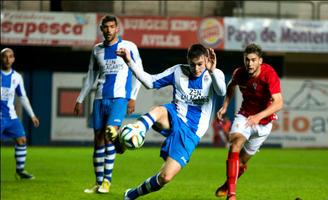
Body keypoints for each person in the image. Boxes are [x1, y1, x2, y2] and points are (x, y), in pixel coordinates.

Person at [110, 43, 226, 199]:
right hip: (174, 115)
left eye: (200, 64)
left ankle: (132, 194)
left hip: (191, 132)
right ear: (187, 60)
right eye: (193, 64)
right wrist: (129, 61)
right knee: (158, 110)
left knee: (165, 177)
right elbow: (150, 82)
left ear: (206, 60)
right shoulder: (178, 71)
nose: (196, 68)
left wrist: (211, 71)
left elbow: (221, 91)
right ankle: (131, 133)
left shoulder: (214, 74)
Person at [73, 15, 143, 194]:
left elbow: (139, 72)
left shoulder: (128, 47)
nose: (109, 30)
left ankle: (107, 181)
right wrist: (80, 99)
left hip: (119, 98)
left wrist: (133, 96)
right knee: (98, 140)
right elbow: (90, 77)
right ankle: (98, 183)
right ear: (101, 29)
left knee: (110, 133)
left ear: (117, 29)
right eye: (106, 27)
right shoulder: (97, 50)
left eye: (112, 27)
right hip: (99, 98)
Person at [214, 43, 283, 200]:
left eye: (253, 60)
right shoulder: (240, 73)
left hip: (264, 123)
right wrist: (225, 106)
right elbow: (231, 86)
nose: (249, 63)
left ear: (260, 61)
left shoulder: (269, 74)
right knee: (235, 144)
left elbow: (278, 103)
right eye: (247, 60)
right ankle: (232, 194)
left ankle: (227, 184)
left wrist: (258, 117)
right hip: (245, 117)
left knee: (241, 161)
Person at [1, 48, 40, 180]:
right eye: (5, 56)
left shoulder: (17, 77)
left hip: (11, 117)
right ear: (1, 58)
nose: (8, 59)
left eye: (10, 56)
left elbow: (22, 97)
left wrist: (32, 115)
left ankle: (20, 171)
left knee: (22, 139)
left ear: (13, 59)